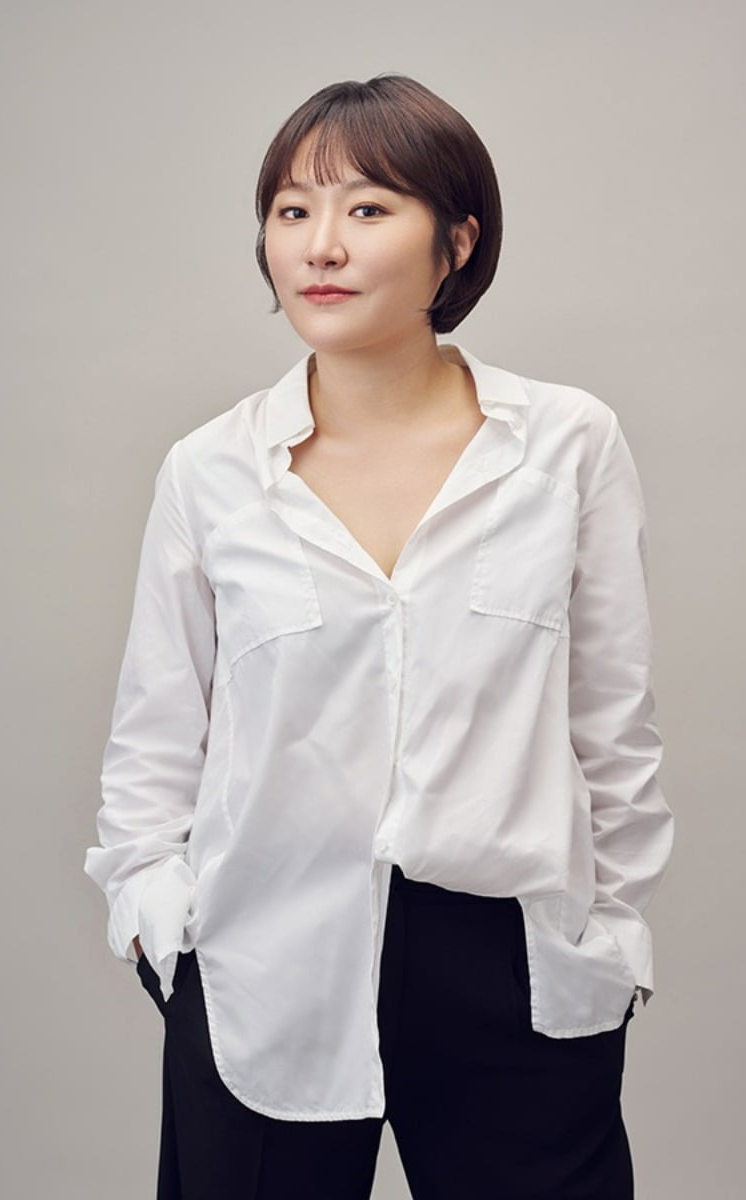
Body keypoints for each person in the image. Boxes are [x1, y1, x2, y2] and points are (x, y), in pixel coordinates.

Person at [84, 73, 675, 1200]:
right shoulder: (210, 472)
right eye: (291, 210)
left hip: (509, 953)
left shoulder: (566, 445)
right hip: (264, 952)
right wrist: (160, 922)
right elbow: (154, 738)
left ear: (457, 242)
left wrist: (610, 935)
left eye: (366, 208)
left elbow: (612, 722)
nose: (321, 245)